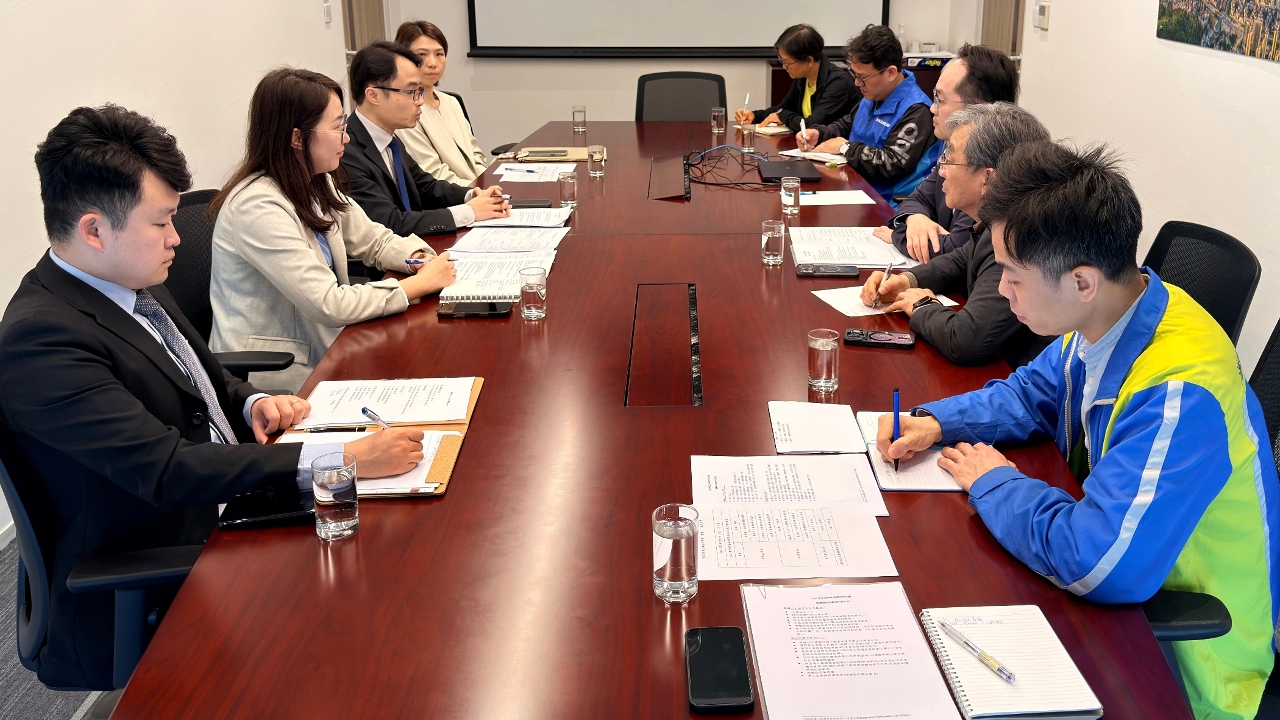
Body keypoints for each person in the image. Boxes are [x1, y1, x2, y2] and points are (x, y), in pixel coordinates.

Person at [0, 105, 424, 690]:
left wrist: (250, 402)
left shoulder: (123, 277)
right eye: (161, 222)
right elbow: (167, 470)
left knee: (404, 549)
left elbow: (200, 371)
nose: (177, 238)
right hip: (161, 567)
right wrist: (341, 458)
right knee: (378, 623)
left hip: (224, 501)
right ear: (94, 230)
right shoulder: (41, 343)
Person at [876, 140, 1280, 720]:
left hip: (1188, 660)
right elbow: (1030, 393)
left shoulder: (1179, 390)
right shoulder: (1114, 314)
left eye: (1012, 277)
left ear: (1082, 281)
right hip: (1124, 587)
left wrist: (996, 483)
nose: (1002, 291)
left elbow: (1099, 562)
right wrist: (937, 421)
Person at [209, 68, 457, 393]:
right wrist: (417, 285)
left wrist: (419, 258)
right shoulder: (257, 205)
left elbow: (373, 239)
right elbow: (329, 303)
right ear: (297, 138)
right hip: (276, 376)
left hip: (329, 345)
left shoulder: (316, 178)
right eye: (338, 127)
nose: (347, 138)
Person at [860, 102, 1052, 367]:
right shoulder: (1002, 217)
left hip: (1021, 378)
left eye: (950, 159)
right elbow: (962, 259)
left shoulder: (1020, 235)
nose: (941, 171)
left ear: (988, 178)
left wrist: (922, 305)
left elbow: (965, 339)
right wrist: (907, 281)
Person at [870, 44, 1020, 262]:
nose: (932, 108)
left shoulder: (993, 164)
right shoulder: (952, 146)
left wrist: (896, 236)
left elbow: (955, 250)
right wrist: (915, 218)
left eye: (940, 100)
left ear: (977, 109)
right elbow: (918, 197)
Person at [343, 41, 509, 237]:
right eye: (411, 92)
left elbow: (426, 186)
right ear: (374, 95)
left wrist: (471, 195)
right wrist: (469, 212)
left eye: (419, 91)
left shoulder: (389, 139)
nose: (420, 101)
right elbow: (390, 222)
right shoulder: (346, 152)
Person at [796, 24, 939, 206]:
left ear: (890, 73)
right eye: (854, 75)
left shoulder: (917, 110)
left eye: (862, 78)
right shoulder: (874, 94)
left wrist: (846, 148)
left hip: (887, 203)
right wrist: (820, 133)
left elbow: (892, 163)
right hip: (855, 187)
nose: (857, 83)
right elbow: (848, 124)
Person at [393, 21, 491, 186]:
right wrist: (476, 190)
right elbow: (434, 175)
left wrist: (488, 182)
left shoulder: (451, 101)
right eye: (421, 54)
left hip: (478, 190)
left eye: (439, 54)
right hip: (453, 196)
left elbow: (476, 155)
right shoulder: (406, 112)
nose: (432, 63)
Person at [733, 24, 858, 133]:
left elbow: (813, 125)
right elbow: (784, 108)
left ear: (809, 61)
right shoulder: (803, 78)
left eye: (787, 62)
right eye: (782, 61)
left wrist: (784, 116)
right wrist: (755, 115)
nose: (784, 66)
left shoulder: (838, 83)